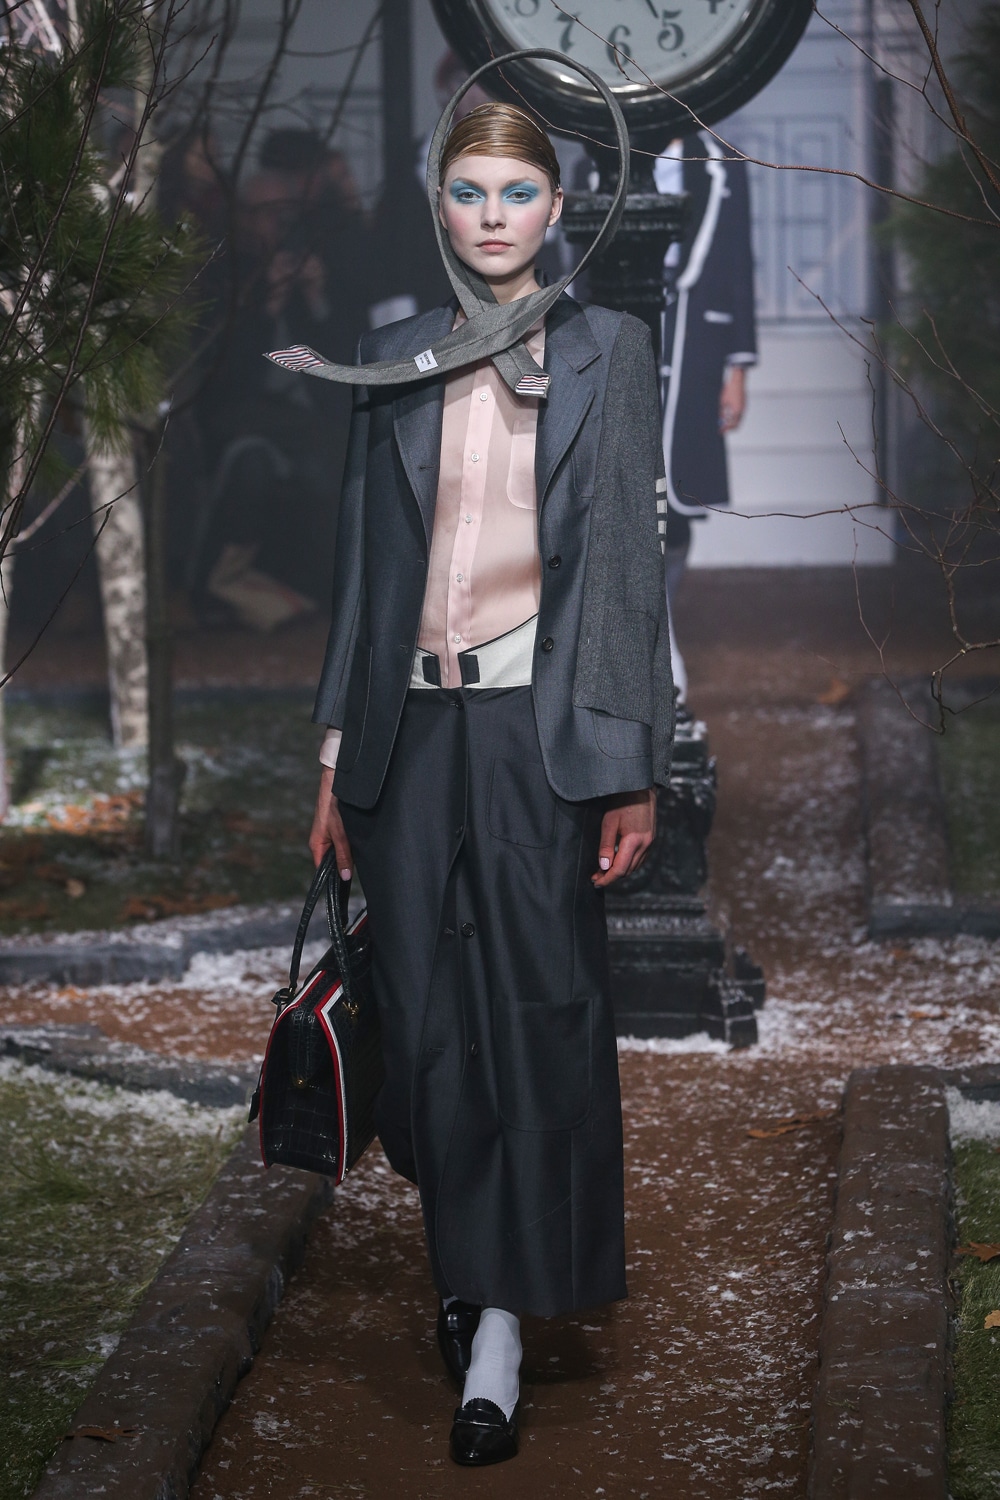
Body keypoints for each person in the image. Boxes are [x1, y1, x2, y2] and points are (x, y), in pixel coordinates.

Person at [306, 101, 673, 1466]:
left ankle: (500, 1322)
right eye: (469, 190)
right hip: (404, 733)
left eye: (519, 191)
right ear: (439, 206)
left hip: (537, 730)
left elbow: (626, 572)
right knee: (422, 1021)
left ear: (557, 208)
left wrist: (633, 766)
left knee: (539, 1007)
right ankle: (468, 1267)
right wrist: (335, 757)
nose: (494, 215)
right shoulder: (395, 353)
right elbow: (361, 572)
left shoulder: (608, 349)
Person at [655, 131, 758, 698]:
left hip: (698, 343)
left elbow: (739, 261)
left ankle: (661, 622)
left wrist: (737, 370)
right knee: (630, 492)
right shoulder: (608, 155)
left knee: (681, 501)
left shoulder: (723, 163)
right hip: (627, 333)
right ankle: (653, 635)